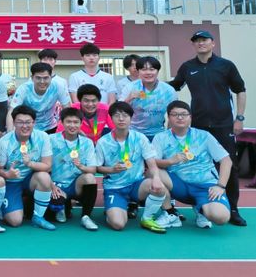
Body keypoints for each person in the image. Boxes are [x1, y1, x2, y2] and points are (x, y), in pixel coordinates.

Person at [168, 30, 247, 227]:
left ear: (212, 43)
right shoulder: (187, 67)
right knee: (195, 164)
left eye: (204, 40)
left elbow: (240, 90)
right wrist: (149, 85)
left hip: (224, 124)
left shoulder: (226, 65)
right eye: (197, 41)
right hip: (197, 126)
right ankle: (200, 206)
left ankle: (233, 209)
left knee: (229, 165)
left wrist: (239, 118)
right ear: (193, 45)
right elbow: (173, 87)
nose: (200, 43)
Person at [94, 101, 173, 233]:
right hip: (114, 188)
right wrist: (111, 170)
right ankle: (112, 210)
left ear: (131, 118)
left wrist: (156, 178)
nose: (121, 119)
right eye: (117, 115)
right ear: (111, 118)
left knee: (159, 187)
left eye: (125, 115)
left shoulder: (140, 138)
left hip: (136, 184)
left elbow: (151, 162)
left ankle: (147, 218)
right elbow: (97, 168)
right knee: (118, 224)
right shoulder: (103, 142)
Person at [153, 101, 232, 229]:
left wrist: (220, 186)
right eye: (175, 114)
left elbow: (226, 160)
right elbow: (152, 162)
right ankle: (170, 213)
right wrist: (170, 161)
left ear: (190, 117)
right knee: (152, 171)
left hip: (206, 186)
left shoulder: (204, 136)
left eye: (184, 114)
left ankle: (201, 210)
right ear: (169, 117)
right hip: (180, 185)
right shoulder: (160, 137)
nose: (180, 117)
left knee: (221, 218)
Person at [0, 105, 56, 231]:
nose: (24, 126)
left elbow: (47, 165)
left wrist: (30, 164)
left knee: (44, 177)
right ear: (14, 123)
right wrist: (7, 174)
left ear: (34, 123)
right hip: (12, 182)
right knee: (15, 221)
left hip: (30, 179)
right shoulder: (4, 142)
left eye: (28, 122)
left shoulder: (43, 137)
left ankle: (38, 217)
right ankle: (2, 205)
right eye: (20, 122)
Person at [48, 107, 99, 231]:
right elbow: (44, 166)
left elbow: (93, 169)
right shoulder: (51, 139)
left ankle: (86, 216)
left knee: (89, 178)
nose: (72, 125)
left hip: (75, 185)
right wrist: (51, 185)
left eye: (76, 122)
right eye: (68, 122)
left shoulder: (87, 143)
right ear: (62, 122)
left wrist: (81, 166)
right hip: (55, 186)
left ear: (81, 124)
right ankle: (63, 205)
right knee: (54, 217)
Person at [120, 56, 177, 140]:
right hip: (134, 134)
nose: (148, 73)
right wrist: (129, 98)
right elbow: (119, 111)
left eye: (152, 69)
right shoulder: (130, 87)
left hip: (158, 133)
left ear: (157, 71)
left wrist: (169, 134)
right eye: (144, 69)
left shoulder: (168, 90)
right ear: (138, 71)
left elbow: (174, 113)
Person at [9, 62, 71, 134]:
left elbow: (68, 110)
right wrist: (10, 134)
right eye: (38, 78)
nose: (42, 82)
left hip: (50, 127)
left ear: (51, 77)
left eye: (45, 78)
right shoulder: (24, 89)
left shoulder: (58, 87)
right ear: (32, 78)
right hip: (28, 128)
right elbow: (11, 112)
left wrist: (69, 130)